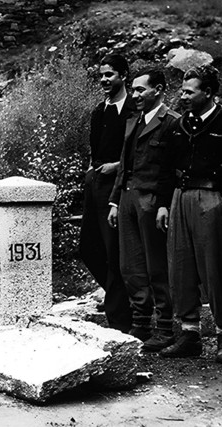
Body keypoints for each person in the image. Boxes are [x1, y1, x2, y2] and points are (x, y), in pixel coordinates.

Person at [157, 65, 222, 362]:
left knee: (214, 267)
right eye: (182, 90)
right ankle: (189, 335)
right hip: (180, 197)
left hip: (211, 198)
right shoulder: (178, 126)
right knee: (181, 267)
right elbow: (167, 169)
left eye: (189, 91)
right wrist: (165, 204)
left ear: (208, 92)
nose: (183, 96)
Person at [107, 68, 179, 352]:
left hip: (151, 200)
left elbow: (171, 170)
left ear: (158, 90)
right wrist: (115, 201)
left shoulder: (171, 122)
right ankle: (140, 322)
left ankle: (164, 327)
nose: (134, 95)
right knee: (131, 266)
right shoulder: (133, 121)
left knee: (156, 265)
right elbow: (124, 165)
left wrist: (164, 204)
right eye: (134, 90)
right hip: (127, 198)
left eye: (140, 90)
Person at [79, 54, 134, 333]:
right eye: (101, 75)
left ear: (124, 76)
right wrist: (91, 173)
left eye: (110, 74)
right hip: (96, 184)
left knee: (115, 252)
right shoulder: (98, 111)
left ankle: (120, 320)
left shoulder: (134, 110)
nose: (103, 80)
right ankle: (121, 298)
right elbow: (94, 150)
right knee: (89, 248)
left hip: (120, 187)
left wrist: (117, 166)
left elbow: (138, 151)